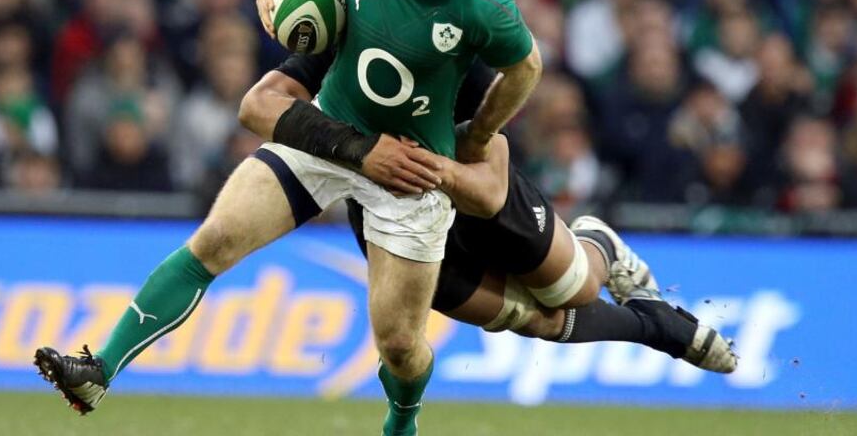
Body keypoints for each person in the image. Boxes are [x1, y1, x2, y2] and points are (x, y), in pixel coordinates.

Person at [35, 0, 544, 435]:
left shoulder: (481, 0)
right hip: (332, 132)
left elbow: (526, 66)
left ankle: (402, 421)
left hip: (410, 169)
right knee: (215, 240)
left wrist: (477, 135)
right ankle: (99, 370)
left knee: (399, 345)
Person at [241, 46, 738, 373]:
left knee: (576, 289)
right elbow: (256, 106)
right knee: (536, 321)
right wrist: (355, 151)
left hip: (477, 201)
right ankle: (653, 326)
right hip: (391, 224)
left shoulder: (450, 49)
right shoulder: (335, 42)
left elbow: (491, 175)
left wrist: (429, 169)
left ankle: (599, 243)